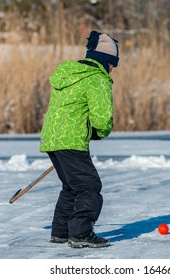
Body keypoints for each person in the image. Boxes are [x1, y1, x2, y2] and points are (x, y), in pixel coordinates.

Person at [39, 31, 119, 248]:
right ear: (106, 61)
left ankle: (61, 232)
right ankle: (81, 233)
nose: (112, 70)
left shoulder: (69, 74)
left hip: (52, 139)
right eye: (113, 65)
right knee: (89, 187)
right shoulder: (97, 79)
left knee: (71, 187)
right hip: (71, 141)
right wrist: (98, 132)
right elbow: (102, 117)